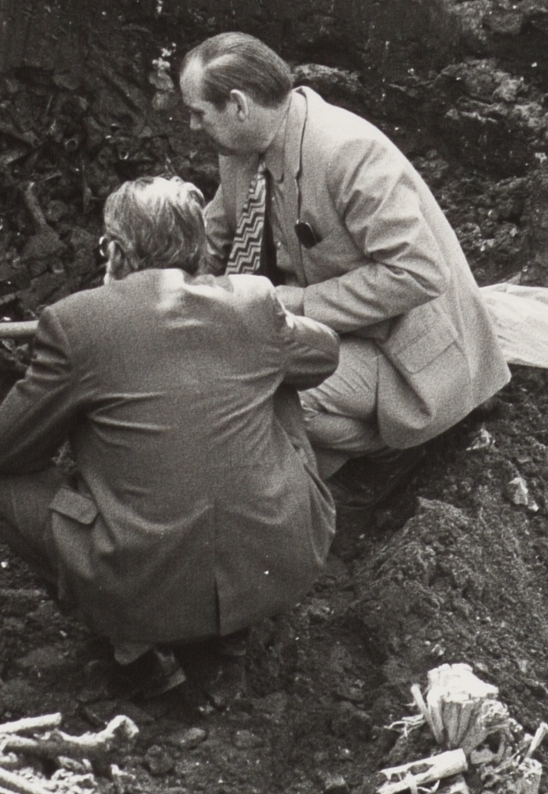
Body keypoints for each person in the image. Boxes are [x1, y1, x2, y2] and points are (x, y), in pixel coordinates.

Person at [0, 175, 341, 702]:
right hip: (280, 562)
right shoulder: (252, 300)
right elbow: (324, 354)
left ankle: (134, 647)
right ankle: (230, 635)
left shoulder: (76, 323)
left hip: (142, 584)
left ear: (116, 251)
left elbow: (2, 451)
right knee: (278, 378)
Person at [180, 32, 510, 486]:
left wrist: (295, 304)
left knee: (264, 399)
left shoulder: (346, 152)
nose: (192, 126)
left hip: (397, 349)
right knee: (221, 392)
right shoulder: (242, 149)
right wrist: (163, 292)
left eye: (199, 112)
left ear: (239, 105)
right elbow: (213, 235)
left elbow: (419, 272)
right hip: (327, 331)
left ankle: (390, 449)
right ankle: (305, 468)